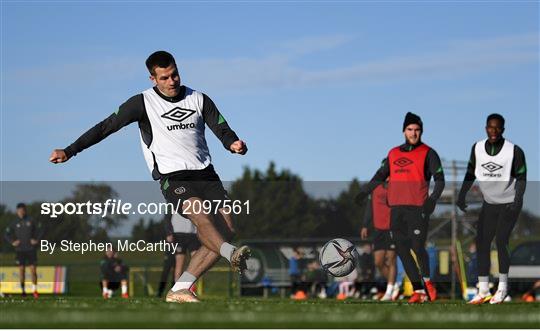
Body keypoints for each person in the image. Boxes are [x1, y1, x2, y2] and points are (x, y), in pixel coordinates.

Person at [49, 51, 251, 303]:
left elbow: (221, 128)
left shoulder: (199, 99)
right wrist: (70, 151)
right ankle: (231, 254)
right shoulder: (141, 103)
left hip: (206, 173)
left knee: (227, 228)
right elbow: (105, 127)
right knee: (199, 214)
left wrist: (233, 143)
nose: (172, 81)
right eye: (165, 77)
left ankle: (180, 289)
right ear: (152, 78)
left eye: (175, 74)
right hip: (173, 176)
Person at [356, 112, 445, 303]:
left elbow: (440, 180)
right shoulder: (393, 153)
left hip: (418, 208)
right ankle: (418, 290)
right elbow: (380, 175)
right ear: (404, 131)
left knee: (417, 247)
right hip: (396, 210)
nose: (413, 133)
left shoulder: (429, 153)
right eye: (410, 129)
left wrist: (433, 198)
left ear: (421, 131)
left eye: (417, 130)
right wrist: (365, 191)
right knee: (402, 250)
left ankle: (428, 282)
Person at [456, 113, 526, 305]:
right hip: (490, 203)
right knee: (481, 243)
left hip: (509, 202)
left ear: (503, 129)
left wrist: (517, 199)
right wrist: (462, 194)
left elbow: (521, 178)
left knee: (501, 239)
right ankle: (484, 289)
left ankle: (502, 288)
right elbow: (470, 173)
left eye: (497, 127)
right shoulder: (477, 148)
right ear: (485, 128)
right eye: (490, 127)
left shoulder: (514, 151)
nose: (493, 131)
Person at [360, 176, 399, 301]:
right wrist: (365, 225)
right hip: (378, 230)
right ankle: (394, 285)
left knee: (391, 260)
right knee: (379, 262)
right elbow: (369, 208)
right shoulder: (375, 188)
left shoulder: (397, 188)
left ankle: (389, 291)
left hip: (393, 229)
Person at [4, 203, 43, 298]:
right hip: (20, 250)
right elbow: (6, 234)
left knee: (33, 270)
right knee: (21, 271)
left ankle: (34, 290)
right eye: (19, 211)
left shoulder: (31, 220)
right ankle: (23, 291)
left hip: (31, 249)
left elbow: (42, 229)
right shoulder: (14, 222)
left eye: (22, 210)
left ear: (25, 211)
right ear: (17, 212)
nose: (21, 212)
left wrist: (37, 239)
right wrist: (12, 242)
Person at [157, 213, 201, 297]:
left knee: (197, 261)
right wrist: (169, 232)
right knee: (179, 265)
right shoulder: (173, 202)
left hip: (193, 234)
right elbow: (167, 218)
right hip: (179, 234)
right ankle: (176, 291)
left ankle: (191, 289)